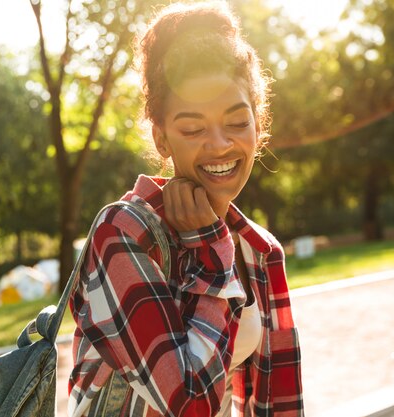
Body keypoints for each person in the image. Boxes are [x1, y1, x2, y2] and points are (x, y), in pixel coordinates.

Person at [68, 2, 304, 416]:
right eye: (193, 128)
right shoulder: (123, 234)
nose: (219, 145)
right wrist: (213, 259)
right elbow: (190, 404)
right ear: (162, 139)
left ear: (258, 124)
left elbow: (279, 402)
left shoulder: (260, 251)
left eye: (236, 122)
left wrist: (221, 244)